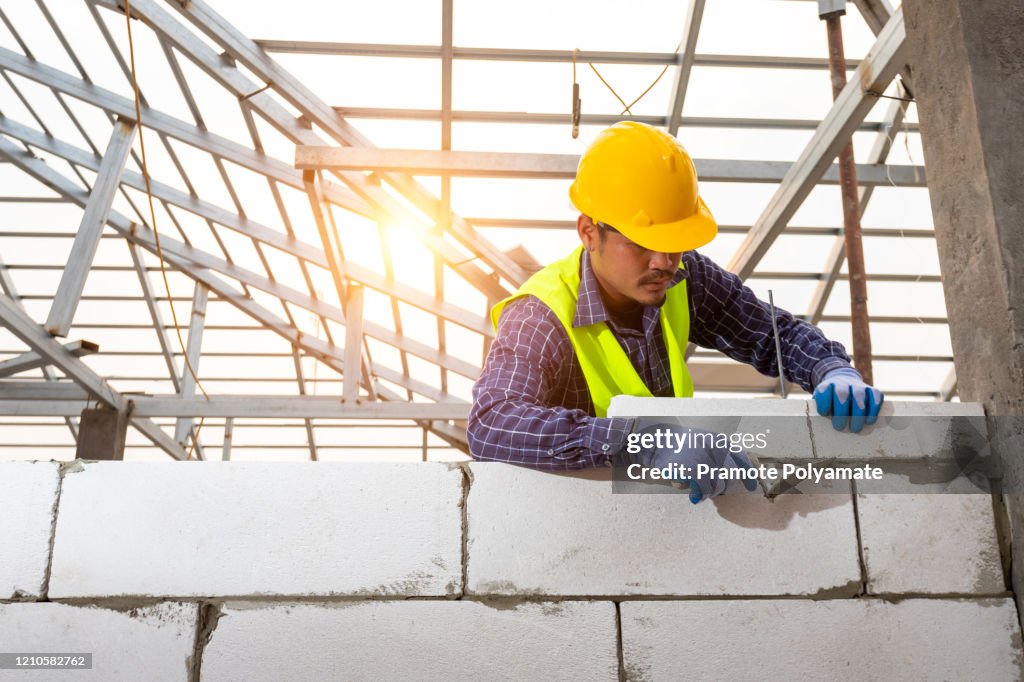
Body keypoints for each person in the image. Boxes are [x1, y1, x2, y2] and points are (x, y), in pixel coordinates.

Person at [468, 121, 883, 501]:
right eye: (643, 243)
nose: (663, 262)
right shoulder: (540, 315)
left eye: (674, 242)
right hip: (567, 526)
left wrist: (830, 368)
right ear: (589, 232)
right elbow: (492, 424)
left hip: (673, 511)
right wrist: (638, 441)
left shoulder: (685, 275)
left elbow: (774, 335)